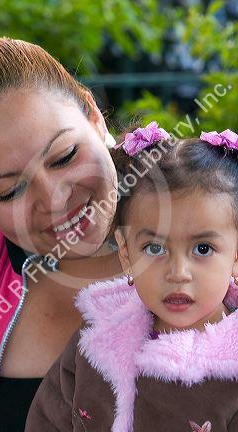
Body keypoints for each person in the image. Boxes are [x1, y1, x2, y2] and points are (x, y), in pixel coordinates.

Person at [0, 37, 122, 431]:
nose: (55, 200)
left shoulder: (210, 216)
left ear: (94, 117)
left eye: (64, 156)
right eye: (11, 190)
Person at [25, 122, 238, 432]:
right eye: (154, 248)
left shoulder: (230, 371)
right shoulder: (94, 341)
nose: (178, 273)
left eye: (203, 248)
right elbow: (47, 420)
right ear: (125, 253)